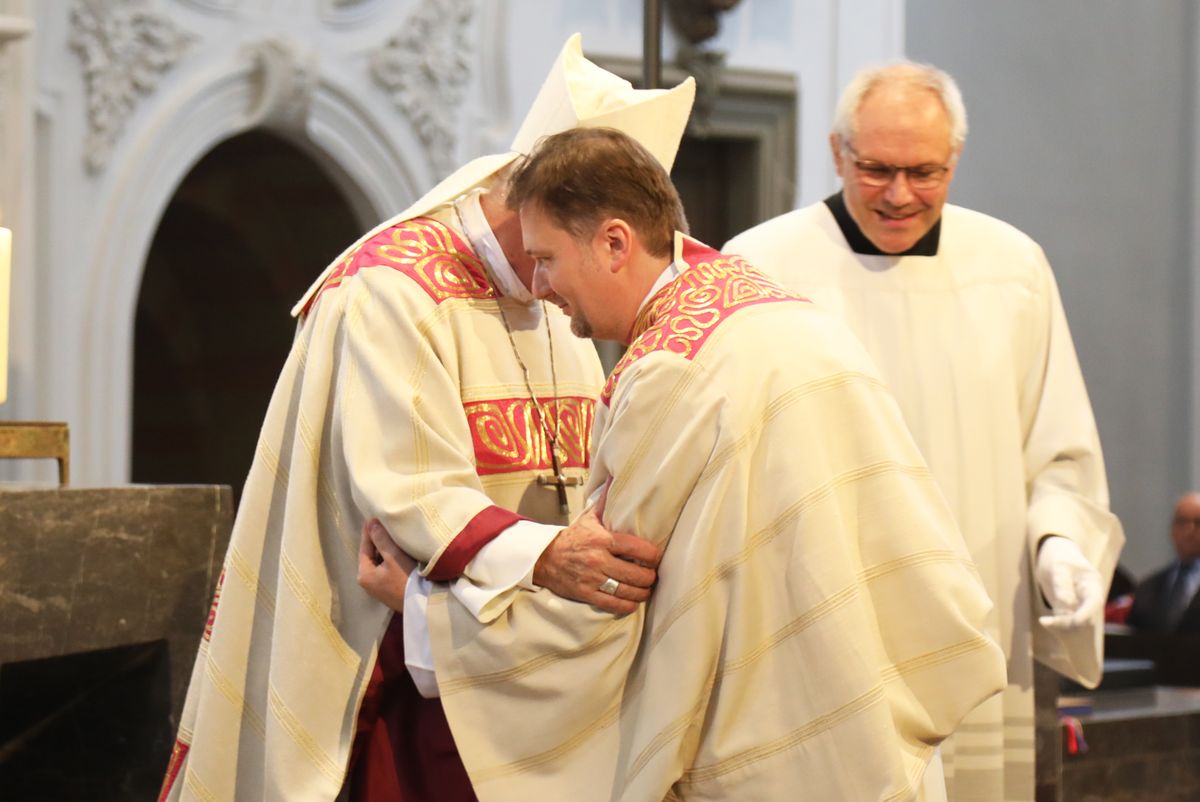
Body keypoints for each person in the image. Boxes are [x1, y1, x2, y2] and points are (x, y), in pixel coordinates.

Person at [364, 126, 1006, 801]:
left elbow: (609, 611)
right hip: (862, 726)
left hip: (772, 753)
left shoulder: (670, 370)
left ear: (614, 242)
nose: (541, 286)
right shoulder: (775, 309)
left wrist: (427, 615)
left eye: (547, 258)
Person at [157, 36, 696, 802]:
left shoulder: (560, 301)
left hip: (527, 667)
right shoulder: (393, 291)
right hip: (399, 674)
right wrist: (548, 559)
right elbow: (408, 496)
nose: (562, 288)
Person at [724, 62, 1125, 802]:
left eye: (924, 171)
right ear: (837, 151)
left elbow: (1058, 448)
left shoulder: (1013, 269)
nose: (900, 194)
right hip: (823, 619)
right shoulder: (758, 267)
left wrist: (1060, 541)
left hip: (975, 613)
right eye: (876, 168)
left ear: (956, 160)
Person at [1128, 492, 1200, 634]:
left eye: (1198, 523)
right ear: (1172, 530)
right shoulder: (1148, 587)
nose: (1190, 531)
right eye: (1182, 522)